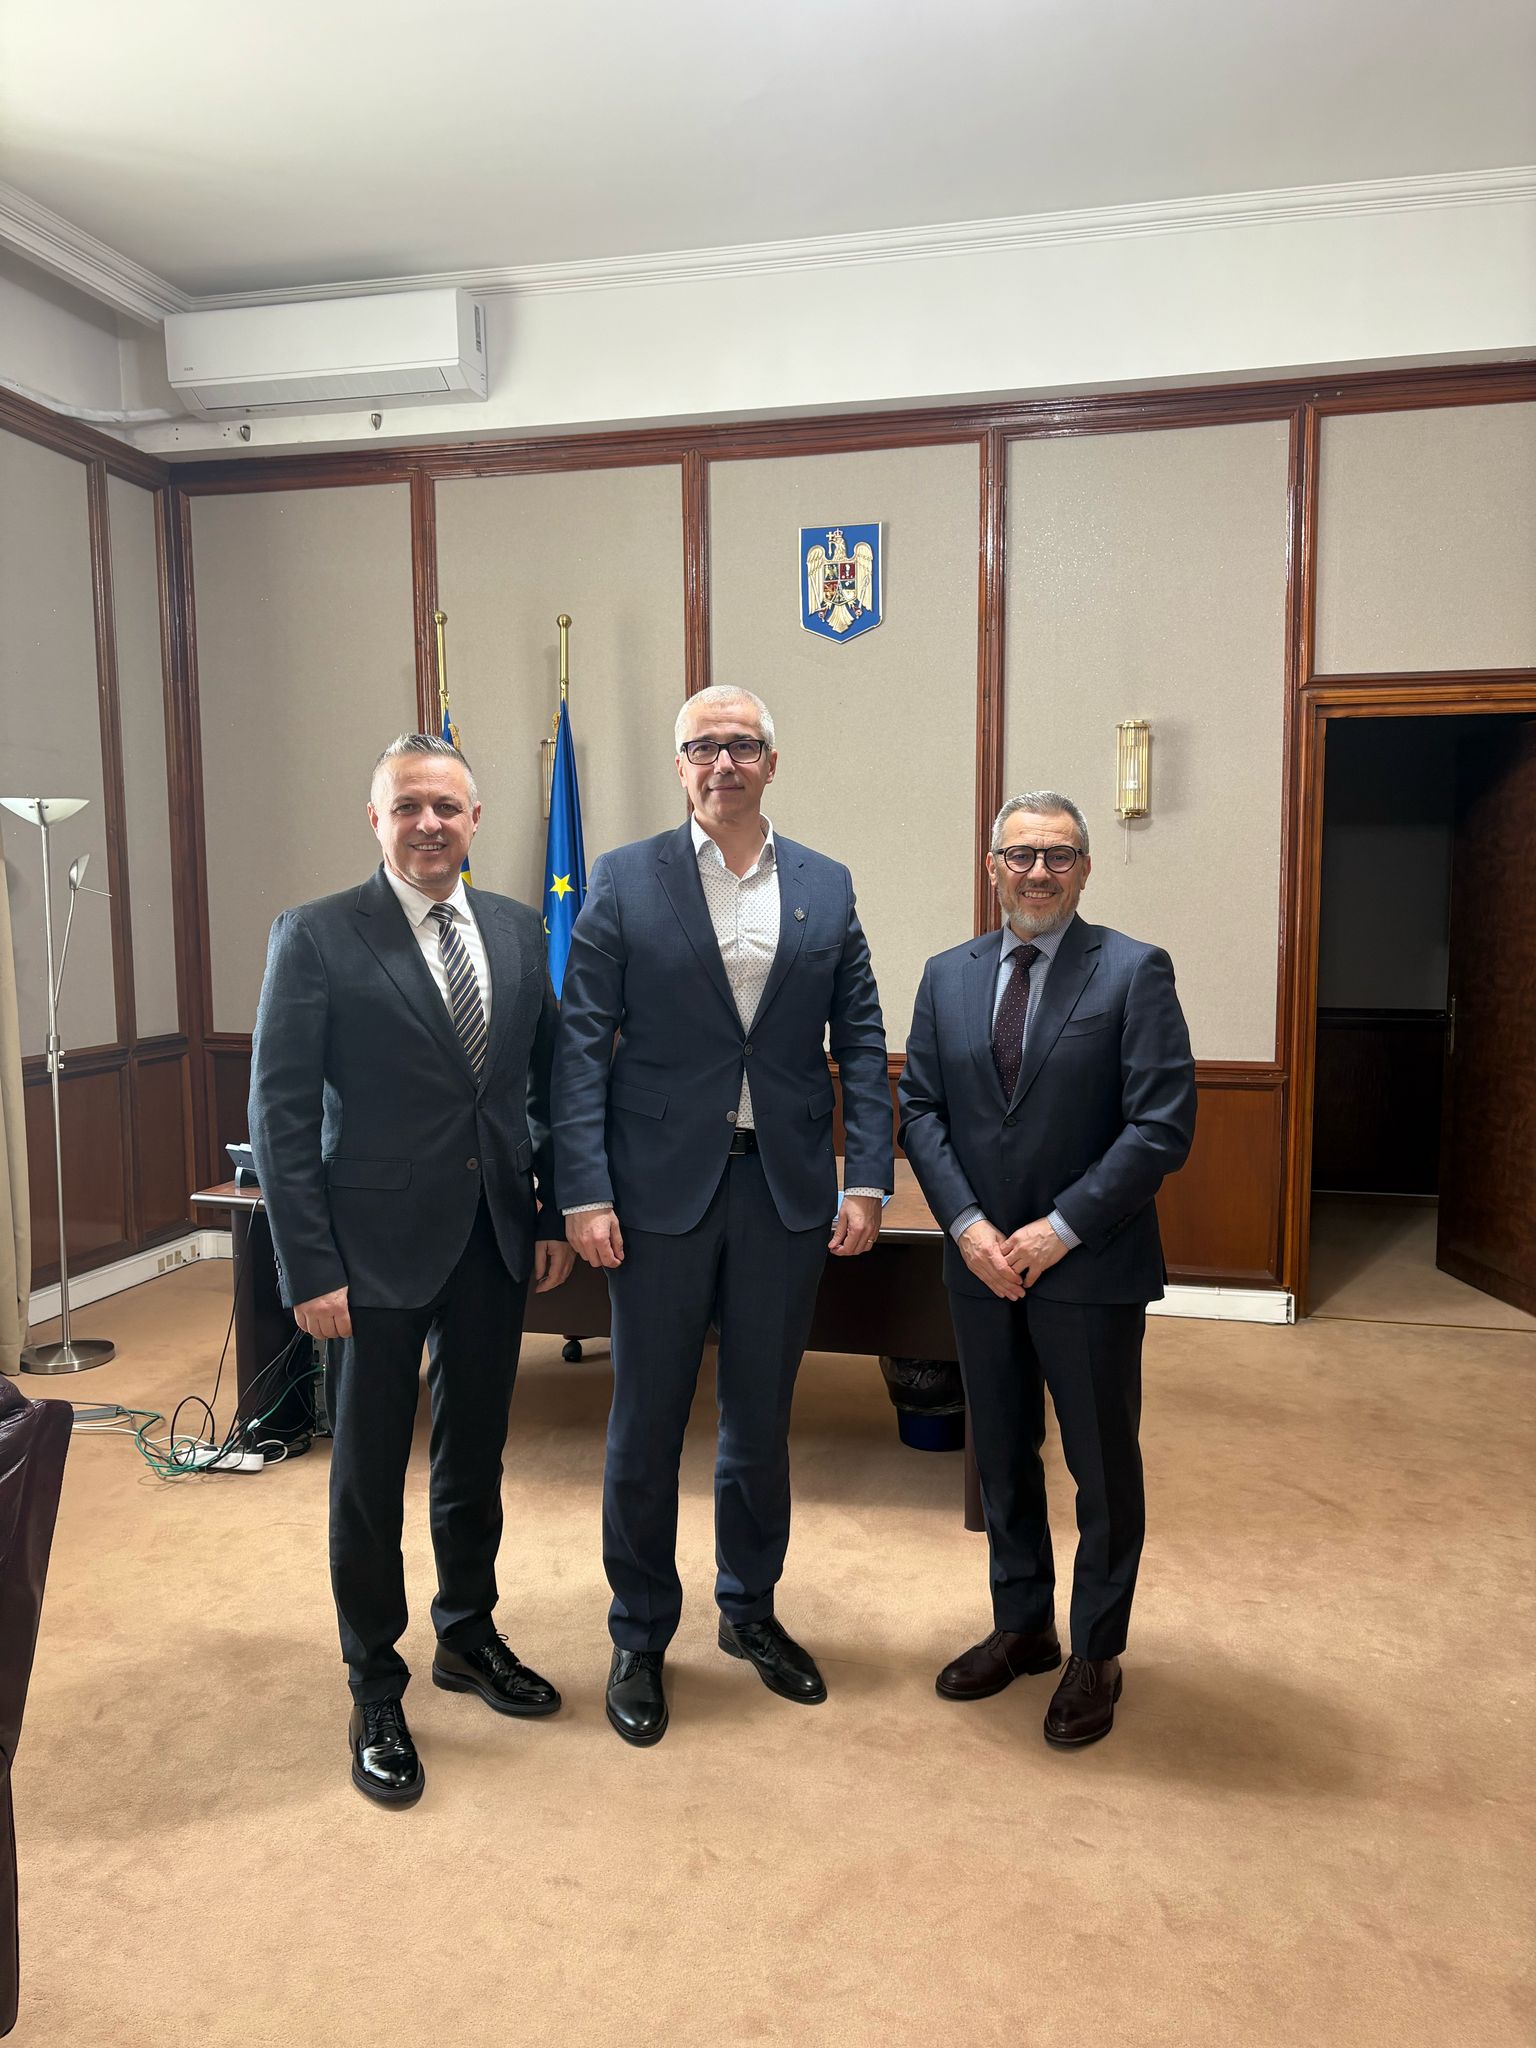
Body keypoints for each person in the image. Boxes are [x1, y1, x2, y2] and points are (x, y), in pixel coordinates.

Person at [553, 685, 892, 1746]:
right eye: (703, 746)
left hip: (783, 1189)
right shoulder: (624, 878)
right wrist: (583, 1189)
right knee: (646, 1423)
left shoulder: (825, 884)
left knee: (759, 1419)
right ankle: (640, 1633)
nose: (723, 763)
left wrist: (867, 1176)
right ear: (680, 765)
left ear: (771, 763)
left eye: (742, 745)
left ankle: (749, 1610)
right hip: (655, 1193)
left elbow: (861, 1037)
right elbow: (580, 1042)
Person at [248, 733, 573, 1807]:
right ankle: (375, 1682)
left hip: (491, 1241)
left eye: (447, 806)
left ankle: (467, 1636)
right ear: (376, 820)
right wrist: (308, 1264)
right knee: (368, 1473)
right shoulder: (316, 934)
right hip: (367, 1254)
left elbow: (543, 1083)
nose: (429, 823)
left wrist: (549, 1210)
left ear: (476, 819)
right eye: (407, 806)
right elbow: (280, 1112)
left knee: (474, 1453)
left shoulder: (518, 929)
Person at [898, 791, 1195, 1749]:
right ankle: (1022, 1624)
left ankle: (1098, 1650)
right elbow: (921, 1112)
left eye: (1058, 855)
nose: (1038, 872)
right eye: (1021, 855)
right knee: (1002, 1452)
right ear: (993, 867)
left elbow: (1161, 1127)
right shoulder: (946, 975)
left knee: (1101, 1466)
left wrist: (1057, 1231)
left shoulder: (1134, 970)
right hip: (980, 1265)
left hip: (1089, 1265)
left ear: (1085, 869)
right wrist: (969, 1227)